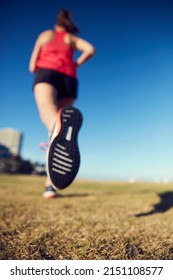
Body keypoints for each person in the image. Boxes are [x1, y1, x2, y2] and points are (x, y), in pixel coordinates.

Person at [29, 9, 95, 198]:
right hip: (69, 78)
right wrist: (76, 64)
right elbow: (90, 49)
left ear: (56, 24)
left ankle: (56, 127)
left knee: (48, 110)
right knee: (57, 125)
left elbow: (32, 66)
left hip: (47, 72)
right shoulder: (72, 39)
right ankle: (50, 186)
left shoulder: (45, 35)